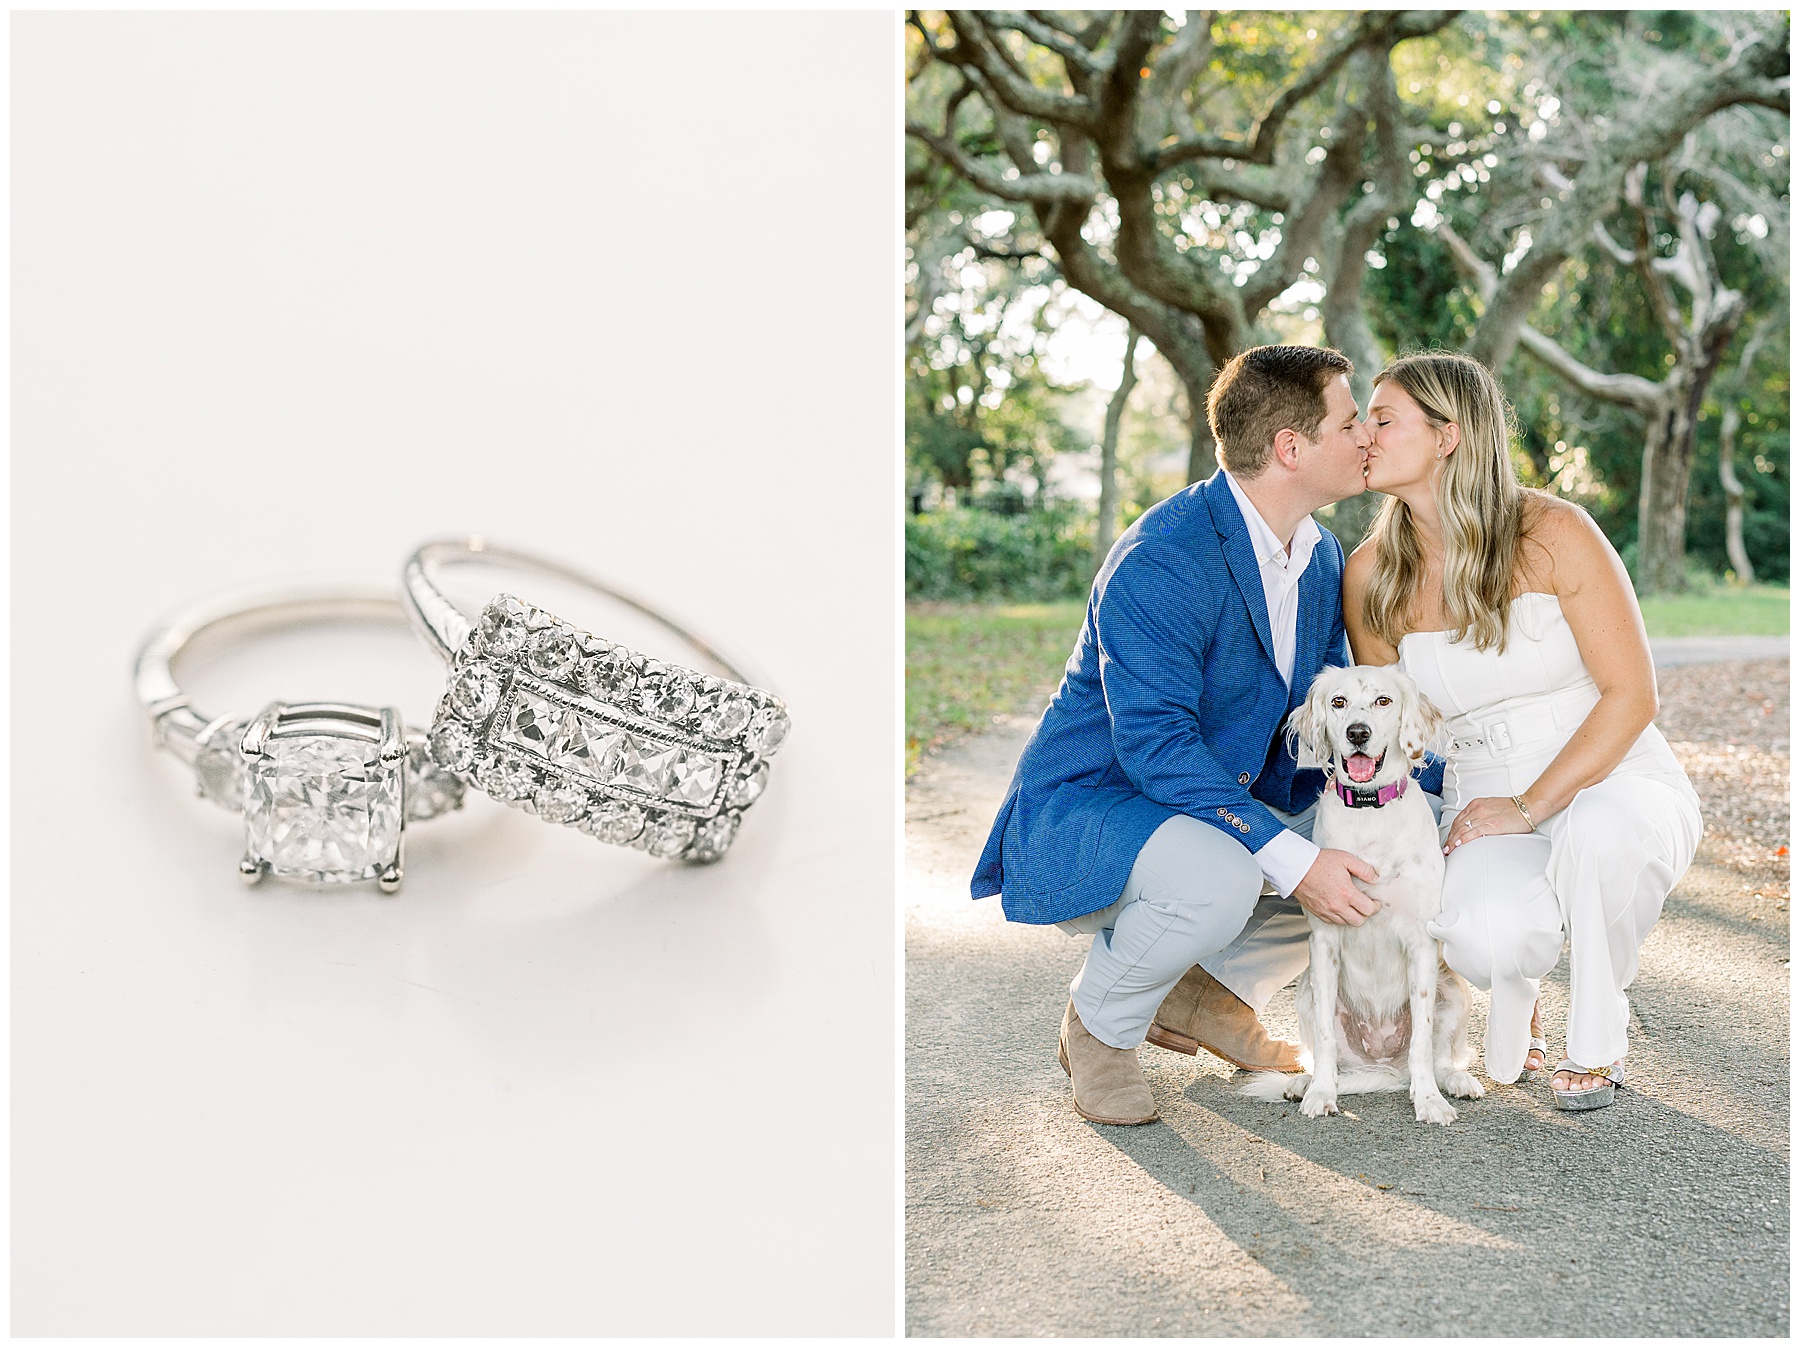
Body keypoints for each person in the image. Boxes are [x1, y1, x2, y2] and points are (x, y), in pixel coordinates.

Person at [971, 345, 1410, 1126]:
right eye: (1350, 424)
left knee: (1381, 844)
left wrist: (1425, 790)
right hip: (1097, 806)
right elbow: (1155, 747)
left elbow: (1320, 718)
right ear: (1290, 448)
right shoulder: (1164, 558)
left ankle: (1210, 992)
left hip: (1205, 800)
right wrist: (1295, 858)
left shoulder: (1317, 555)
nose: (1366, 438)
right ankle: (1099, 1028)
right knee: (1227, 875)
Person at [1346, 351, 1702, 1109]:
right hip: (1482, 795)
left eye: (1383, 419)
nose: (1362, 434)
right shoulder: (1371, 572)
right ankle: (1519, 993)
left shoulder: (1555, 531)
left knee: (1600, 833)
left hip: (1616, 773)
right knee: (1484, 936)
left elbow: (1632, 695)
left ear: (1448, 435)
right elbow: (1387, 735)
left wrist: (1532, 804)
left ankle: (1599, 1034)